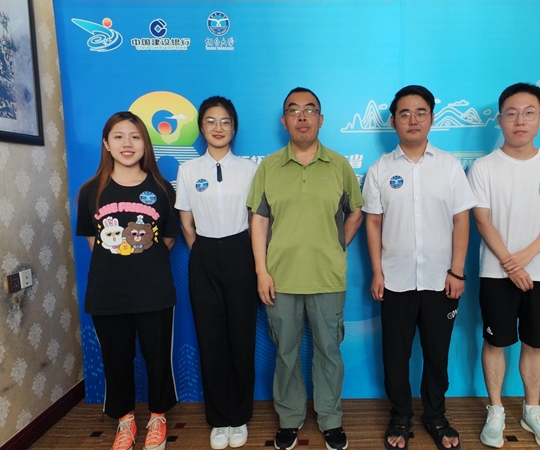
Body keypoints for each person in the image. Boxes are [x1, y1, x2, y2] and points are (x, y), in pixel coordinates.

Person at [246, 87, 364, 450]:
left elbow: (356, 212)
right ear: (284, 121)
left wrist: (336, 246)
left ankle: (330, 419)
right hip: (280, 278)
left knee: (329, 351)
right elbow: (258, 221)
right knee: (286, 353)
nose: (302, 116)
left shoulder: (339, 165)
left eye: (310, 110)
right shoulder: (269, 167)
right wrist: (262, 271)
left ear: (321, 119)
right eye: (294, 110)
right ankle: (289, 418)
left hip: (327, 277)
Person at [362, 85, 476, 450]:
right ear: (393, 121)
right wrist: (377, 272)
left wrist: (457, 271)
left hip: (441, 280)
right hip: (395, 280)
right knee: (395, 356)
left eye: (421, 112)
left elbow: (462, 220)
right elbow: (373, 223)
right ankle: (400, 415)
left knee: (436, 355)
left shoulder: (449, 166)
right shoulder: (380, 169)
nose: (413, 120)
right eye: (405, 113)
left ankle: (436, 415)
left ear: (432, 118)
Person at [467, 83, 540, 450]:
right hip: (495, 272)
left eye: (528, 113)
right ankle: (496, 410)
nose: (520, 120)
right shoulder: (483, 167)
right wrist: (510, 264)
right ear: (500, 119)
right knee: (495, 341)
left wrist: (526, 257)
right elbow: (482, 219)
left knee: (535, 343)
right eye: (512, 113)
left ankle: (532, 410)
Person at [75, 111, 180, 450]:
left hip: (154, 291)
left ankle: (158, 417)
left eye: (135, 136)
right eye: (118, 136)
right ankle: (125, 421)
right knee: (116, 361)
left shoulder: (161, 189)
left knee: (157, 358)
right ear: (106, 144)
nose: (127, 143)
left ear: (145, 144)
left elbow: (167, 240)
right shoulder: (91, 191)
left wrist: (140, 259)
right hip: (107, 293)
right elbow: (94, 243)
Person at [175, 96, 259, 449]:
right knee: (210, 340)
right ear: (201, 127)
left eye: (225, 121)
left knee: (241, 337)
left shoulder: (250, 169)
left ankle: (239, 417)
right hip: (205, 253)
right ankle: (219, 419)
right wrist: (204, 251)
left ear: (234, 127)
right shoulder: (189, 170)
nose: (218, 127)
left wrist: (244, 254)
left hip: (242, 251)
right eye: (210, 121)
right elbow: (186, 221)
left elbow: (257, 219)